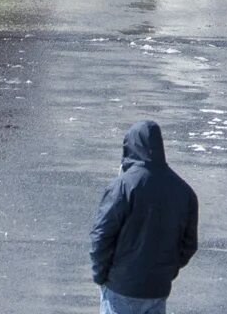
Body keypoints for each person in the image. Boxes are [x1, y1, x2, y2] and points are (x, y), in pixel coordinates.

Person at [89, 119, 200, 314]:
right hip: (157, 288)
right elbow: (188, 245)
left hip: (121, 287)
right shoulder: (184, 191)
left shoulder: (123, 186)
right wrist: (165, 272)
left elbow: (101, 236)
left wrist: (101, 276)